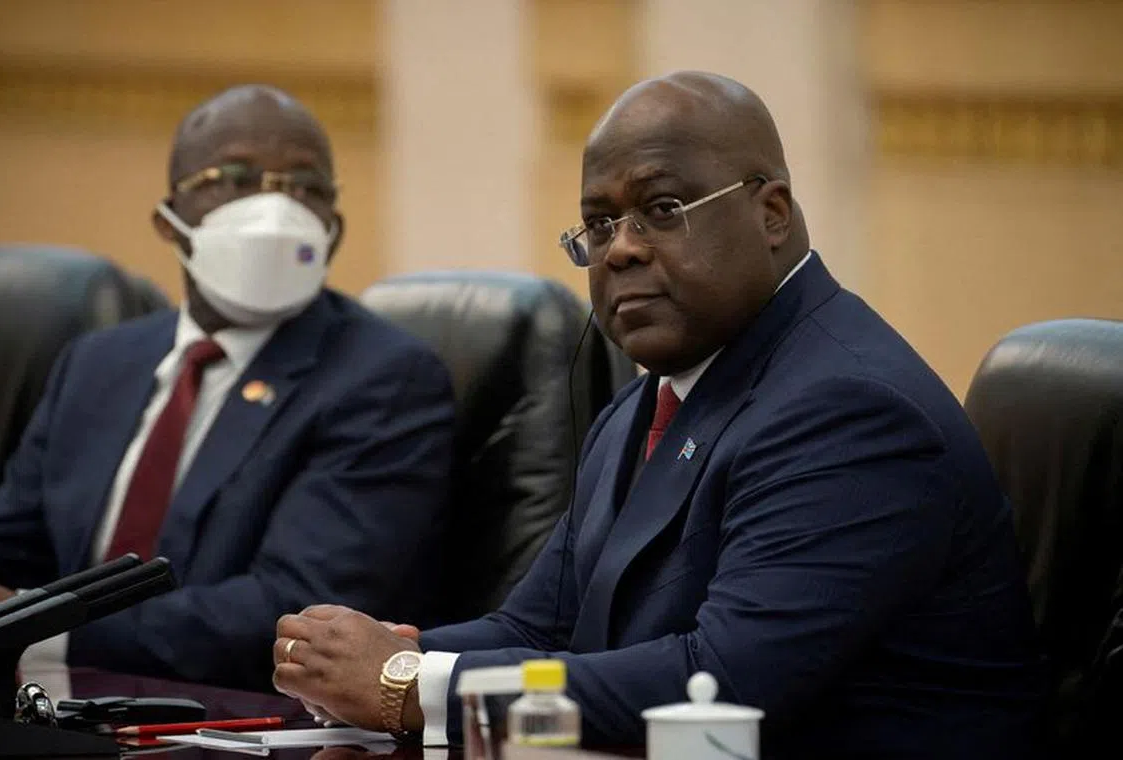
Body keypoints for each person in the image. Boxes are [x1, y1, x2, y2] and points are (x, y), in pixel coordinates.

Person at [272, 72, 1044, 758]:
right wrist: (371, 659)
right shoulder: (650, 401)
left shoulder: (850, 410)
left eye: (661, 209)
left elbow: (721, 681)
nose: (620, 252)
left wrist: (417, 686)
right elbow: (540, 628)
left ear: (772, 213)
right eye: (599, 224)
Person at [0, 85, 455, 691]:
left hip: (238, 716)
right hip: (51, 703)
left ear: (333, 229)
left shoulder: (384, 378)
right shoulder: (97, 363)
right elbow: (5, 550)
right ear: (169, 220)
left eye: (306, 187)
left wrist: (34, 626)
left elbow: (292, 610)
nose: (275, 209)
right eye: (234, 177)